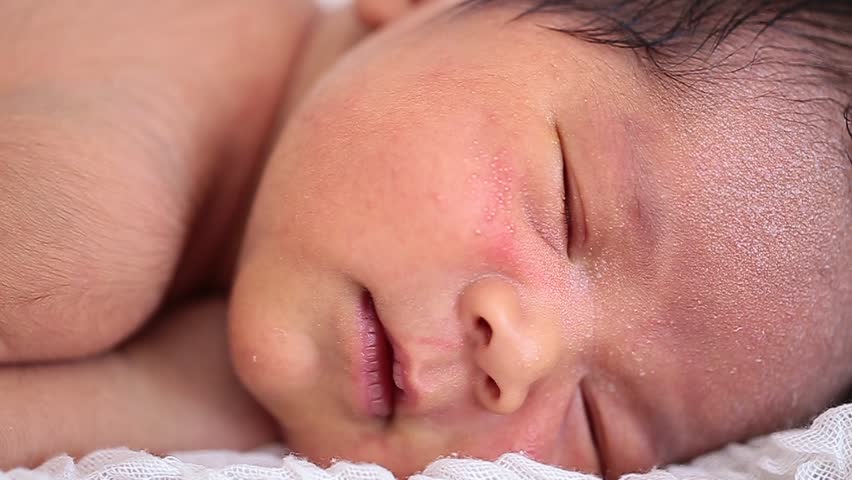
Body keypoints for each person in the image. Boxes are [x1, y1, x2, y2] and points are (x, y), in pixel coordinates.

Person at [1, 1, 850, 479]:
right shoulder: (93, 209)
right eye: (567, 207)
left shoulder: (236, 370)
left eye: (597, 423)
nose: (518, 356)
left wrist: (180, 392)